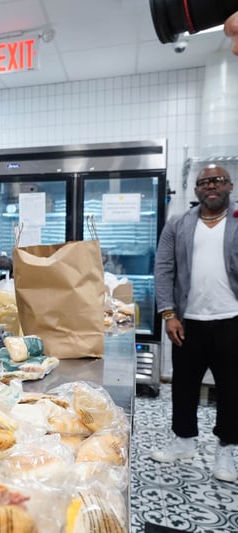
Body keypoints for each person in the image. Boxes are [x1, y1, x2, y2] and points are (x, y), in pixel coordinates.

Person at [152, 164, 238, 482]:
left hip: (232, 320)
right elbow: (163, 269)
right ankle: (183, 441)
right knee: (184, 386)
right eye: (204, 182)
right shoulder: (179, 224)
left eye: (217, 181)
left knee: (231, 390)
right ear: (196, 190)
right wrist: (168, 314)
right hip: (189, 322)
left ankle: (225, 452)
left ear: (229, 186)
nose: (210, 186)